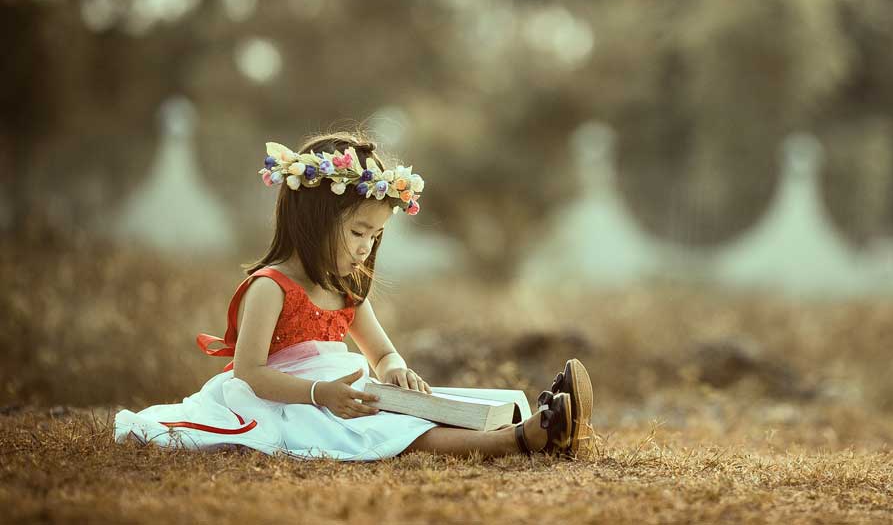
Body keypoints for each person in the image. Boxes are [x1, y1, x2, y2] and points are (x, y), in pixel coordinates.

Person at [114, 132, 593, 460]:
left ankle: (543, 415)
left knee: (426, 406)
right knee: (389, 431)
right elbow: (249, 372)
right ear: (314, 220)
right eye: (358, 231)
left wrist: (395, 369)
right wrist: (320, 393)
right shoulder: (270, 287)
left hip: (349, 394)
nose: (366, 247)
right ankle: (523, 440)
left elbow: (380, 350)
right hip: (288, 403)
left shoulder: (347, 290)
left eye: (375, 236)